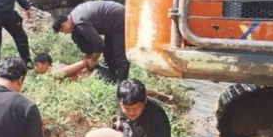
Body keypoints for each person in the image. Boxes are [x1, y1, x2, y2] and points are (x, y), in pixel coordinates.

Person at [84, 79, 171, 137]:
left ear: (145, 100)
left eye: (135, 108)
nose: (131, 113)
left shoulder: (157, 115)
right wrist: (120, 122)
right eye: (127, 109)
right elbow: (123, 117)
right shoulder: (122, 100)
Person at [34, 53, 174, 103]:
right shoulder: (54, 69)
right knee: (128, 88)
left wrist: (84, 63)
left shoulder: (53, 71)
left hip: (97, 77)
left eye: (37, 65)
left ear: (45, 64)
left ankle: (163, 98)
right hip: (96, 76)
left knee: (127, 91)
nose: (35, 68)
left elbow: (63, 73)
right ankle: (164, 96)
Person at [52, 1, 129, 83]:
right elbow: (91, 45)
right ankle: (112, 78)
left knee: (119, 54)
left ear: (64, 25)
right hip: (110, 19)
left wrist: (92, 60)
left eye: (63, 31)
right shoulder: (73, 18)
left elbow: (100, 45)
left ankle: (121, 84)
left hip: (117, 16)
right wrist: (87, 58)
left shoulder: (79, 22)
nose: (65, 33)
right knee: (108, 53)